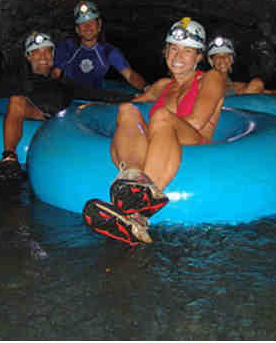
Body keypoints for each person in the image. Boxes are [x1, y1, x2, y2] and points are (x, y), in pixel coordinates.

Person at [82, 17, 226, 245]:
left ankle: (140, 204)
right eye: (173, 49)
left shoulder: (211, 78)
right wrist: (92, 111)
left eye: (187, 51)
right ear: (166, 51)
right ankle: (132, 192)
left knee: (160, 117)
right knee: (127, 111)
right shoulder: (161, 86)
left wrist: (153, 133)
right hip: (162, 142)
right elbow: (130, 104)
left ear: (199, 56)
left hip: (195, 145)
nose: (178, 57)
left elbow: (197, 121)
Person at [0, 31, 137, 181]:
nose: (43, 57)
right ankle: (9, 157)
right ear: (28, 56)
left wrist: (137, 98)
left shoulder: (64, 83)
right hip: (38, 116)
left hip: (63, 122)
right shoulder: (20, 82)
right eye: (37, 53)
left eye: (47, 52)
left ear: (53, 56)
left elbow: (96, 94)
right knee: (16, 98)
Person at [51, 0, 147, 91]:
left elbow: (130, 75)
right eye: (82, 23)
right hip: (69, 98)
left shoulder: (108, 51)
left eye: (91, 22)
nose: (87, 27)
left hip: (95, 99)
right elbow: (55, 74)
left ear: (99, 25)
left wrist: (147, 88)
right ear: (77, 29)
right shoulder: (67, 47)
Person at [206, 35, 276, 96]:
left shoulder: (233, 86)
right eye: (217, 56)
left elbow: (261, 89)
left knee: (257, 84)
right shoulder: (204, 81)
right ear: (211, 61)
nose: (222, 59)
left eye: (226, 56)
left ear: (231, 60)